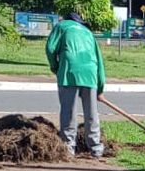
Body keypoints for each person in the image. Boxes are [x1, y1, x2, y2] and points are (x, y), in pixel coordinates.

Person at [45, 12, 105, 157]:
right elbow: (100, 61)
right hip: (90, 73)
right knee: (91, 112)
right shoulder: (88, 32)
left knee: (69, 111)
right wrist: (100, 88)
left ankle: (68, 148)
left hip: (69, 71)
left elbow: (50, 49)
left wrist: (55, 67)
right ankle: (96, 148)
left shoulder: (61, 26)